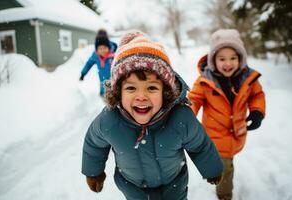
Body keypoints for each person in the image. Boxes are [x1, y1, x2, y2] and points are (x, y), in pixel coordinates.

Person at [81, 30, 224, 200]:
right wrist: (93, 172)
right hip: (133, 187)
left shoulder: (180, 118)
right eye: (131, 88)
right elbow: (94, 144)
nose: (141, 96)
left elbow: (199, 145)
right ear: (118, 92)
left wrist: (211, 169)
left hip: (174, 184)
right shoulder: (110, 121)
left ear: (165, 91)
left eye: (151, 88)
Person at [188, 29, 266, 200]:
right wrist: (187, 117)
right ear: (213, 60)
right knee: (224, 168)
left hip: (237, 133)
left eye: (233, 58)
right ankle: (224, 195)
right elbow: (194, 100)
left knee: (228, 162)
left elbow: (256, 95)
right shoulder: (205, 82)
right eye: (222, 58)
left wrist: (257, 111)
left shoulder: (247, 78)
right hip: (215, 136)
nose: (228, 63)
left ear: (240, 58)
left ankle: (221, 174)